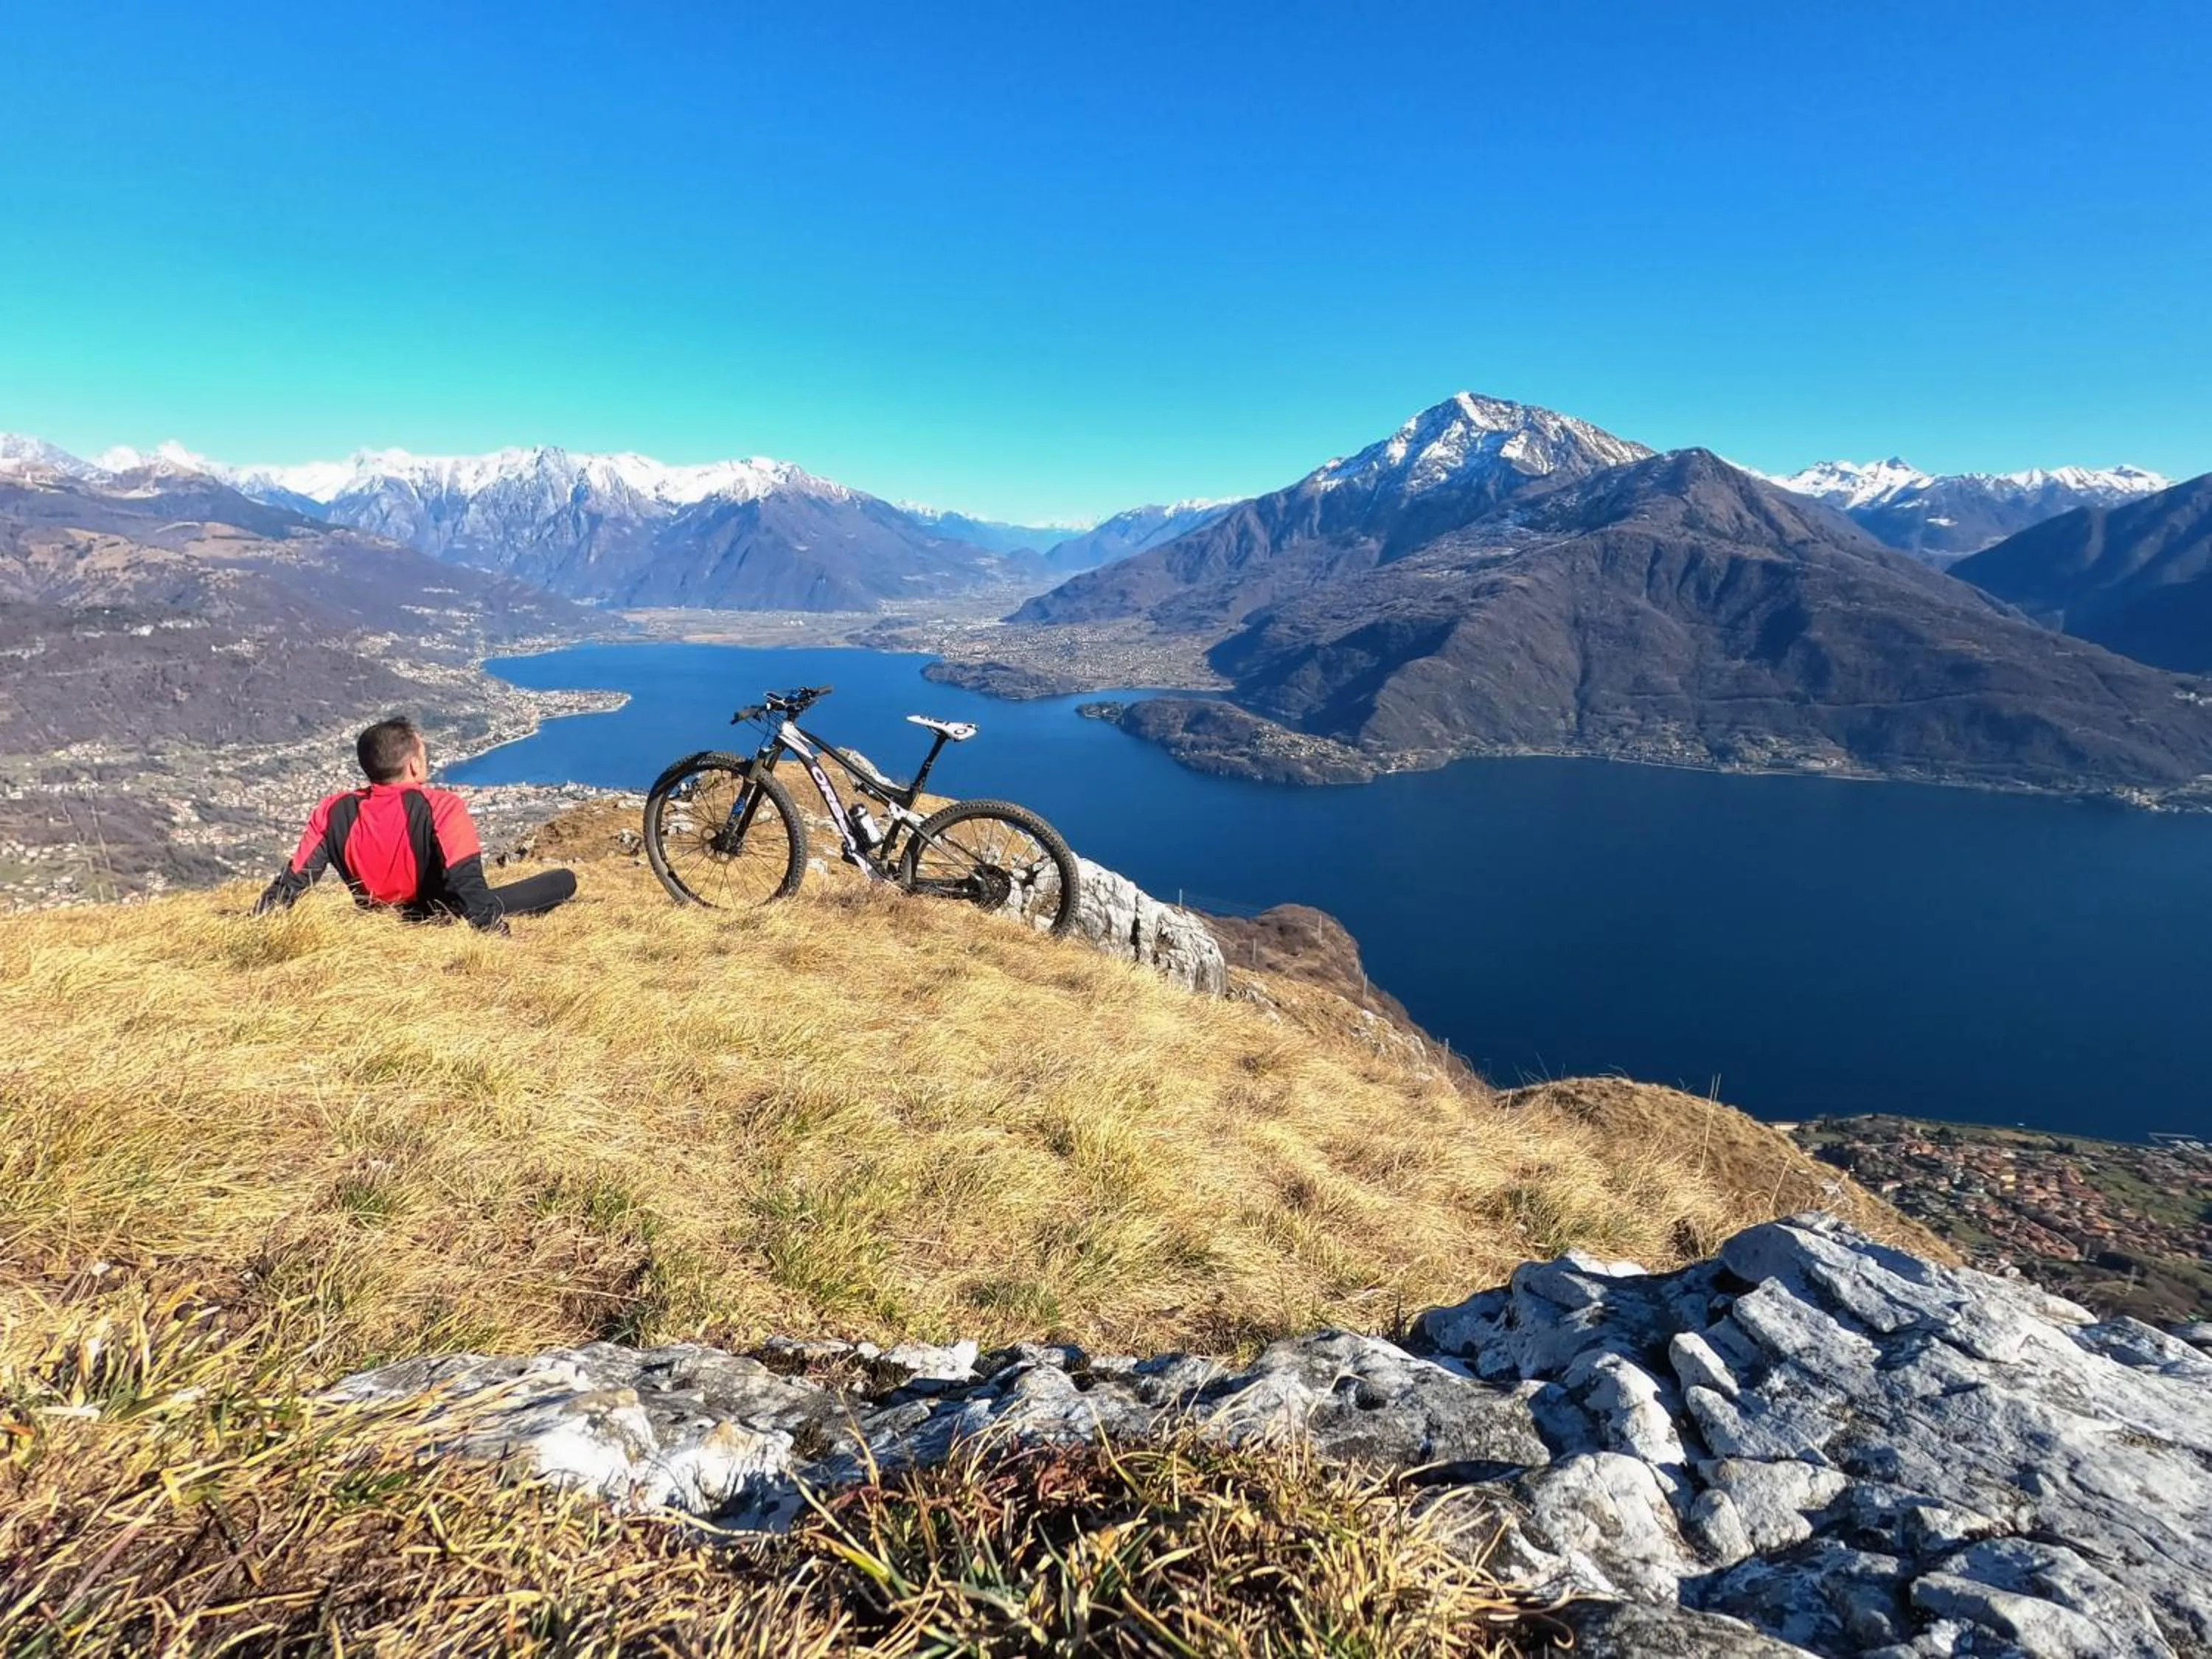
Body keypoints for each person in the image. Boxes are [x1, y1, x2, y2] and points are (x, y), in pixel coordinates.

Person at [254, 717, 576, 932]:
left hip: (378, 919)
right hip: (441, 918)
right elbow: (466, 884)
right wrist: (498, 938)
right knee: (563, 880)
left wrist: (258, 921)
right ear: (413, 764)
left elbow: (293, 881)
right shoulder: (442, 807)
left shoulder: (333, 810)